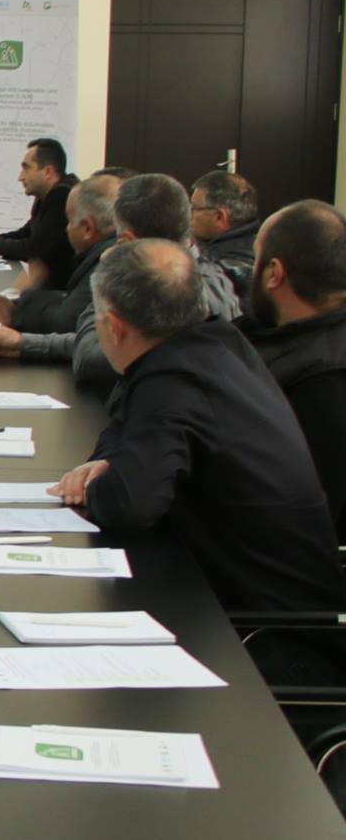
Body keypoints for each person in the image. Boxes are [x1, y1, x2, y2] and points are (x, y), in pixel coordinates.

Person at [49, 238, 342, 620]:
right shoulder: (216, 342)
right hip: (266, 597)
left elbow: (129, 504)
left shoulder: (174, 378)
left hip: (271, 626)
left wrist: (94, 486)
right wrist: (107, 461)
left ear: (115, 328)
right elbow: (124, 422)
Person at [0, 173, 238, 392]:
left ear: (127, 240)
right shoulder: (209, 275)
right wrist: (26, 344)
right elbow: (109, 341)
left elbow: (90, 357)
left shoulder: (175, 290)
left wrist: (108, 275)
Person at [238, 199, 346, 540]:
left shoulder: (324, 381)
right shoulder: (272, 339)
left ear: (274, 273)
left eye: (255, 259)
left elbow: (301, 521)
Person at [0, 172, 122, 356]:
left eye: (69, 221)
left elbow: (64, 322)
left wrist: (19, 309)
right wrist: (15, 307)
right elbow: (70, 302)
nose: (66, 229)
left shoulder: (108, 261)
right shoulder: (102, 253)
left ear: (88, 228)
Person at [0, 138, 77, 289]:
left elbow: (33, 249)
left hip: (61, 294)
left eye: (26, 168)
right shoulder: (47, 195)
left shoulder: (63, 196)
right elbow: (26, 233)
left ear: (48, 172)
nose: (20, 177)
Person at [190, 169, 259, 294]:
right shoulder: (260, 244)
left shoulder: (227, 271)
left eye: (194, 208)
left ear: (220, 216)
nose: (189, 214)